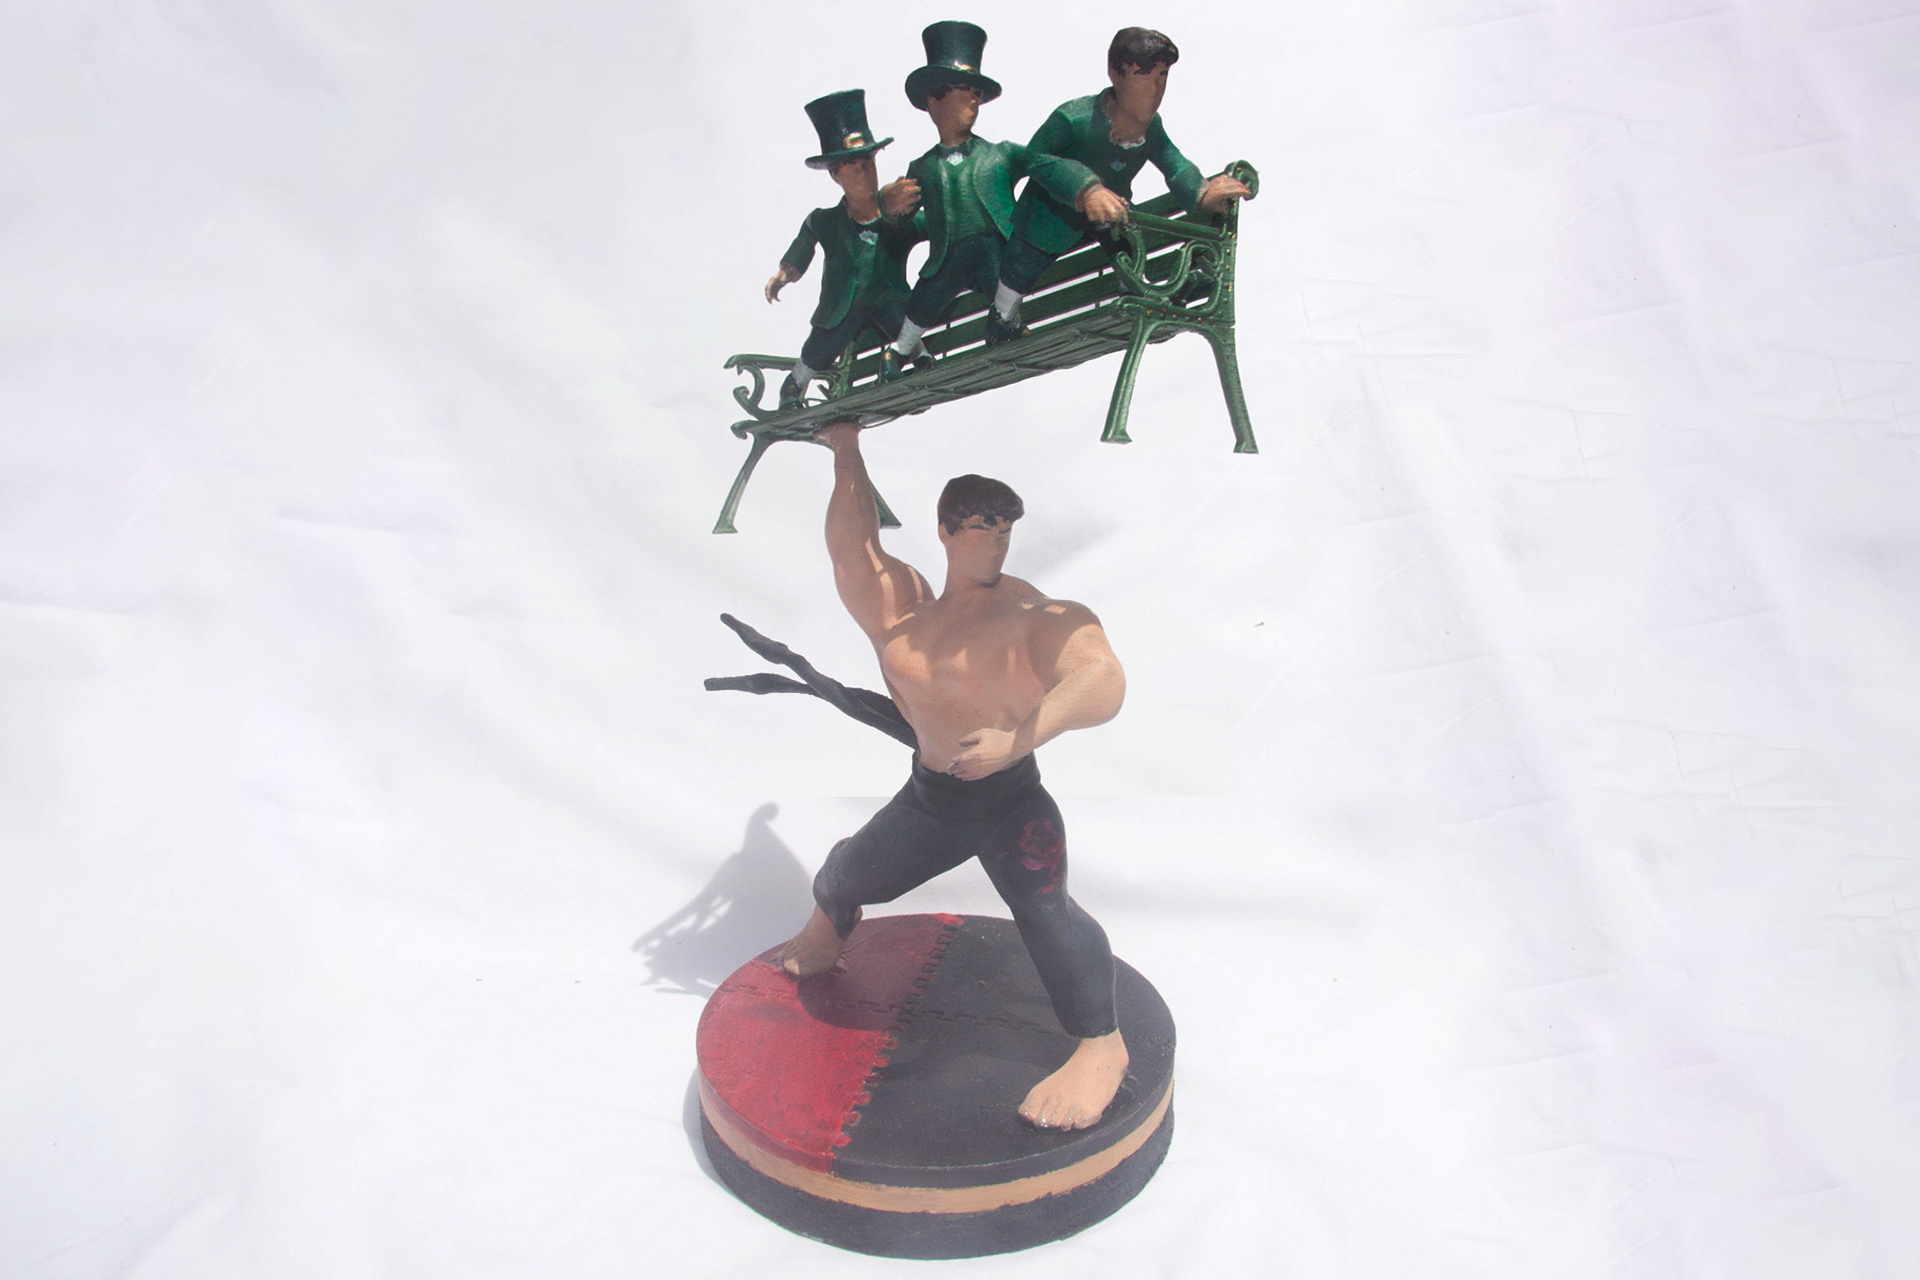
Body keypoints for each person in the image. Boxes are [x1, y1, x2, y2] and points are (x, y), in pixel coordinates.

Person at [779, 418, 1130, 1131]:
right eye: (979, 529)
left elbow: (1102, 681)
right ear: (945, 532)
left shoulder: (1035, 615)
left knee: (1048, 913)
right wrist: (846, 450)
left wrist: (1018, 738)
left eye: (1005, 529)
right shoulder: (905, 614)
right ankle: (828, 925)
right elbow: (853, 549)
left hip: (1010, 802)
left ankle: (1103, 1047)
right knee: (847, 875)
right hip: (932, 801)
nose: (995, 543)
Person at [995, 27, 1255, 325]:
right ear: (1116, 75)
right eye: (1143, 75)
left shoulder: (1151, 127)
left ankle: (1133, 293)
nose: (1156, 89)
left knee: (1127, 243)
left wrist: (1201, 192)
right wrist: (1086, 189)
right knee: (1022, 263)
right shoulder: (1073, 119)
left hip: (1111, 213)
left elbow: (1172, 161)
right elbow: (1035, 157)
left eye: (1163, 75)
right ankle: (1001, 317)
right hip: (1050, 217)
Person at [877, 21, 1093, 379]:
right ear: (934, 98)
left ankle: (1007, 323)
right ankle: (899, 351)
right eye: (964, 91)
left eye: (977, 92)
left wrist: (1085, 186)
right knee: (928, 294)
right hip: (948, 257)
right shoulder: (923, 167)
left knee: (1001, 269)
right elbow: (900, 218)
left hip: (996, 249)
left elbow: (1044, 164)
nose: (974, 100)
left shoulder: (1000, 154)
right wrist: (889, 203)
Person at [765, 90, 924, 408]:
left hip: (888, 299)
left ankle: (922, 361)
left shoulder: (898, 220)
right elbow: (805, 241)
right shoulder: (825, 221)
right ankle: (794, 386)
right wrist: (786, 273)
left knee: (902, 322)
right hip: (842, 306)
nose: (864, 173)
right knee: (822, 346)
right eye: (852, 166)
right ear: (835, 175)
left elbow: (938, 228)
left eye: (868, 162)